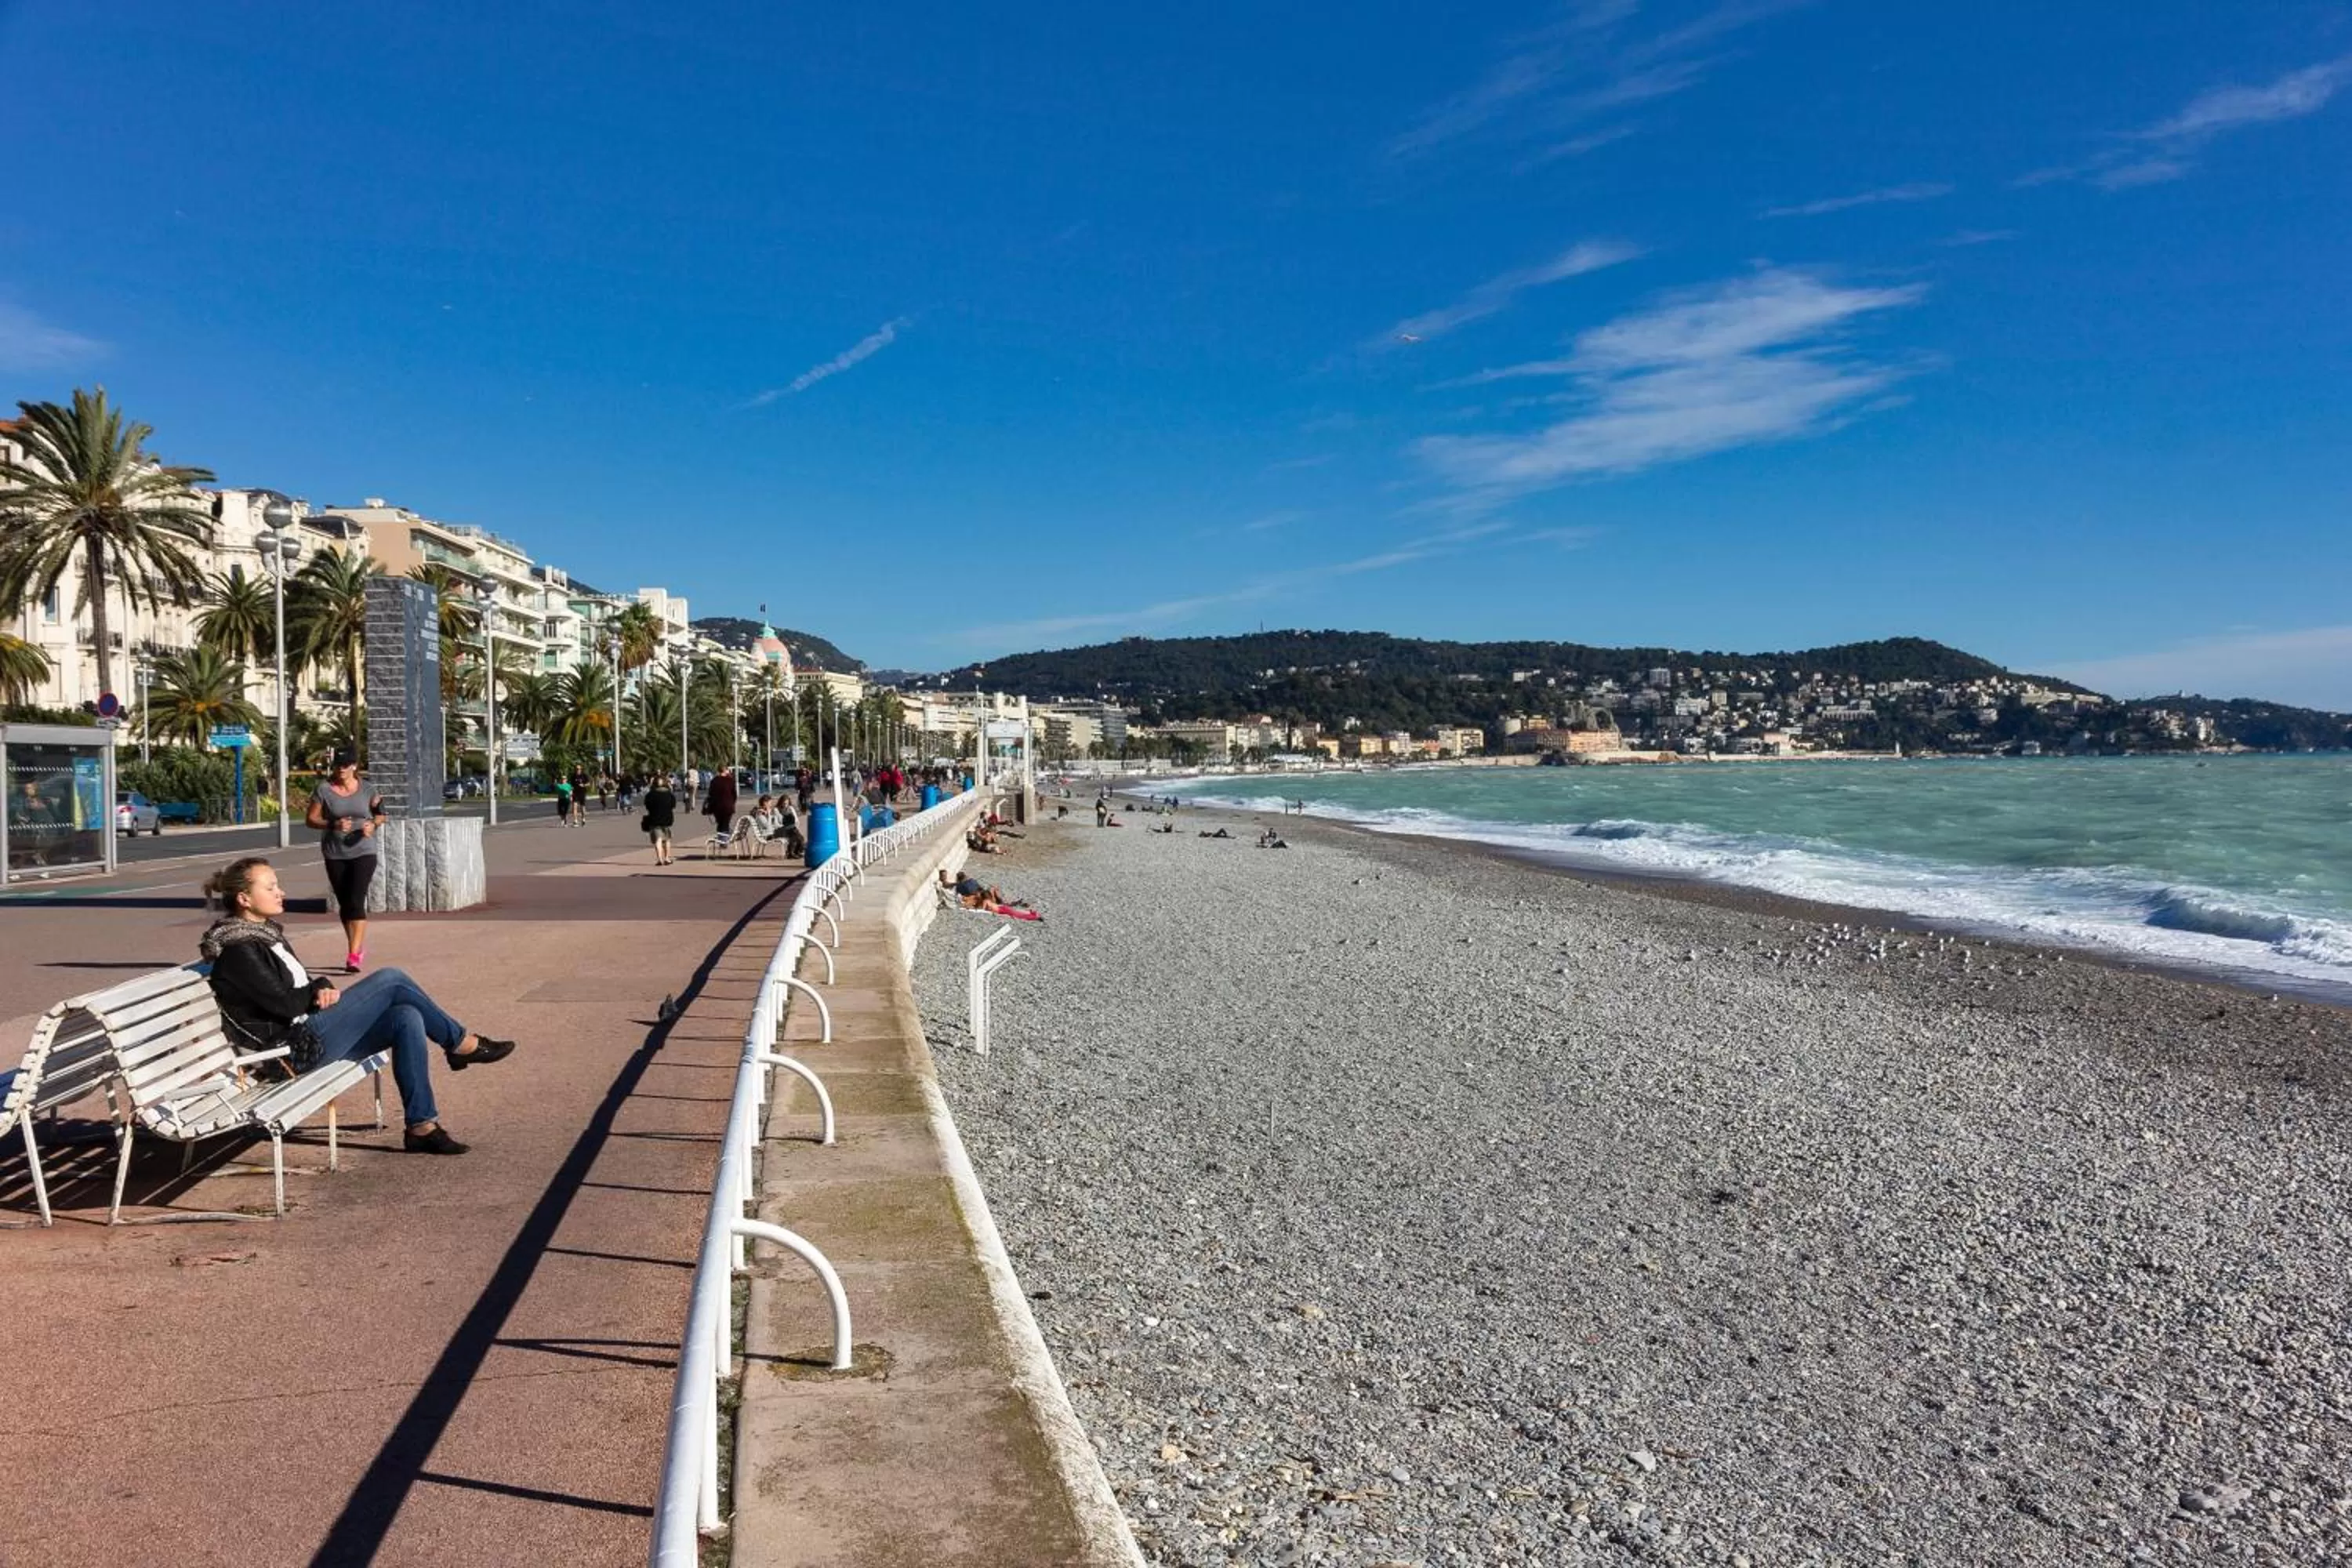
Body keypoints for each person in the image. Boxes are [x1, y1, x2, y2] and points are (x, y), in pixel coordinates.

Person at [200, 856, 515, 1155]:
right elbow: (285, 1005)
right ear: (244, 899)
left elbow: (298, 990)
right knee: (391, 979)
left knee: (406, 1016)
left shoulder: (265, 936)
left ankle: (422, 1127)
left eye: (277, 884)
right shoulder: (238, 950)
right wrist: (317, 989)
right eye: (270, 887)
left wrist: (320, 985)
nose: (280, 892)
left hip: (305, 1035)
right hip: (287, 1053)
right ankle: (461, 1044)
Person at [306, 749, 384, 974]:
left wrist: (373, 825)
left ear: (354, 766)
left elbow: (380, 814)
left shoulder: (368, 788)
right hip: (335, 852)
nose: (342, 769)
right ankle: (356, 947)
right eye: (338, 764)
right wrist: (333, 825)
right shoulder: (323, 790)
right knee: (345, 903)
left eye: (346, 764)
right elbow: (311, 820)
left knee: (356, 899)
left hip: (364, 850)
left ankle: (353, 954)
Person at [642, 774, 677, 866]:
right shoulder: (669, 794)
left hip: (654, 819)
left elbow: (647, 806)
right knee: (667, 839)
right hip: (667, 819)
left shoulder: (650, 794)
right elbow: (673, 805)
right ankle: (667, 858)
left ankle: (659, 859)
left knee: (658, 839)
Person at [706, 768, 738, 840]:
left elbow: (711, 793)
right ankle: (724, 839)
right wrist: (732, 803)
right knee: (725, 823)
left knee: (720, 823)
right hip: (728, 806)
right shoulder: (730, 781)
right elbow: (734, 795)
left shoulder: (714, 781)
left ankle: (722, 838)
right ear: (725, 771)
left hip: (717, 807)